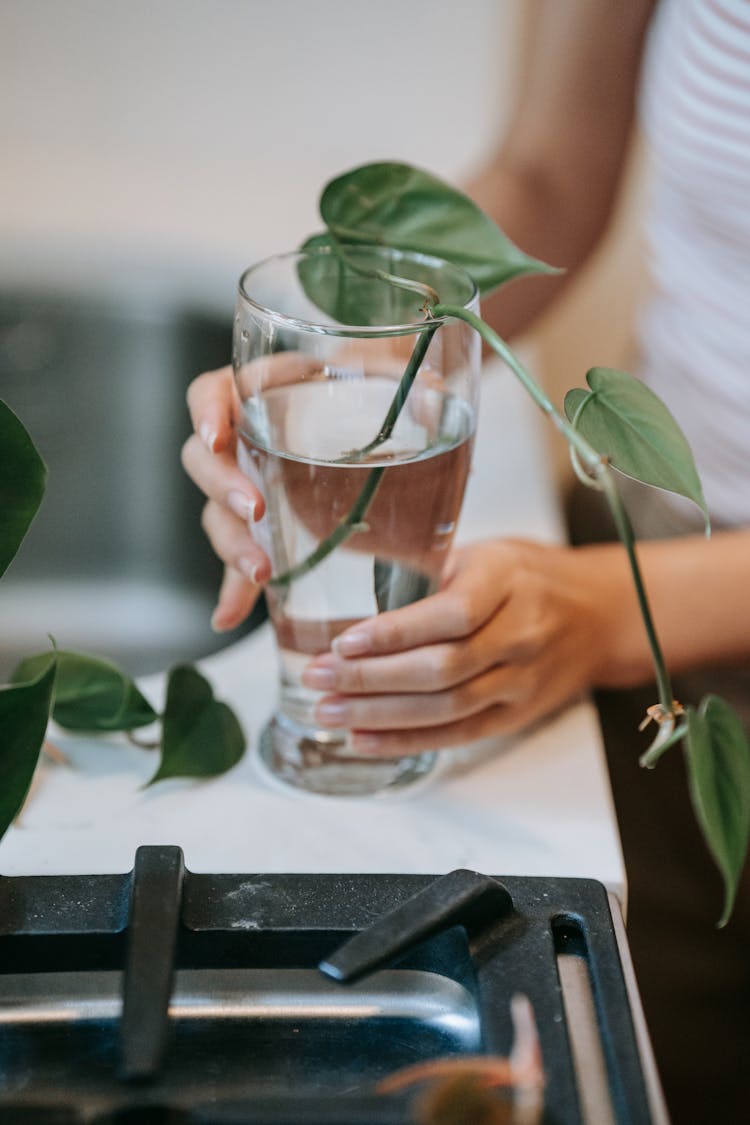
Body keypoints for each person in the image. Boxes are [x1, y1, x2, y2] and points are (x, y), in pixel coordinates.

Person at [181, 2, 750, 1120]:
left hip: (645, 611)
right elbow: (543, 176)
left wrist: (606, 619)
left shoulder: (606, 617)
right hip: (650, 566)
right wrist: (351, 376)